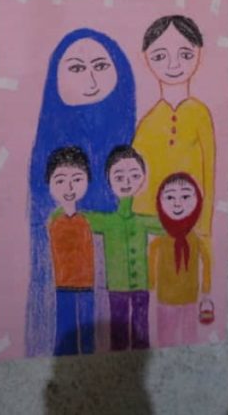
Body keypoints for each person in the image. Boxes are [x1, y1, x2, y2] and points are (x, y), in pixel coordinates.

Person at [26, 29, 137, 356]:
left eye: (101, 66)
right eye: (76, 68)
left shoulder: (130, 137)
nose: (91, 80)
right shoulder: (48, 145)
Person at [132, 15, 216, 238]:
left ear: (199, 53)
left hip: (192, 225)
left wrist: (203, 229)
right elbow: (139, 183)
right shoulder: (147, 123)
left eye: (185, 54)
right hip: (152, 227)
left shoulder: (200, 114)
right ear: (145, 58)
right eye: (160, 56)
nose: (173, 65)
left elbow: (209, 174)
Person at [85, 146, 163, 351]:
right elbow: (82, 220)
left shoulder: (143, 220)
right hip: (117, 287)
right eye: (119, 177)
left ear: (143, 177)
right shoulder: (107, 221)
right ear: (109, 180)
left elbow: (168, 225)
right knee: (118, 338)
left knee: (141, 334)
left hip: (141, 286)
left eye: (134, 175)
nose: (127, 182)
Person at [149, 173, 211, 347]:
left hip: (190, 298)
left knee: (189, 337)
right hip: (165, 299)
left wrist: (206, 289)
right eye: (170, 197)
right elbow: (151, 260)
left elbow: (206, 262)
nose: (177, 203)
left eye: (185, 196)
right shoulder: (159, 241)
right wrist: (150, 285)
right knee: (165, 338)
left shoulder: (196, 240)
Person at [46, 146, 97, 355]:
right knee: (65, 331)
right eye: (60, 181)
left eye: (77, 179)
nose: (69, 187)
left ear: (87, 181)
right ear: (50, 183)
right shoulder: (53, 222)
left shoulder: (88, 221)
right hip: (62, 285)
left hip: (87, 285)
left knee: (88, 335)